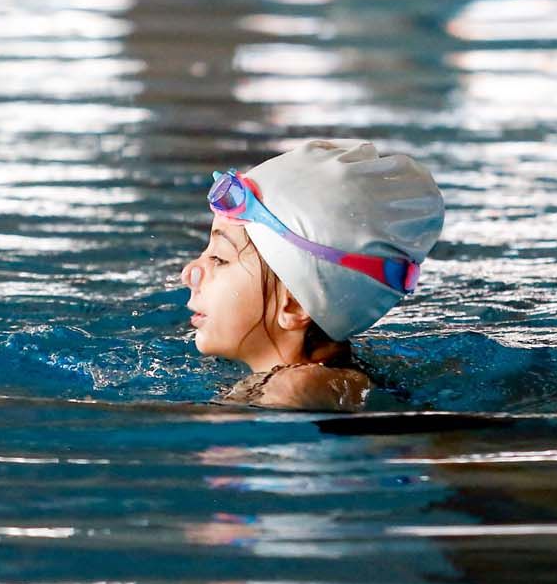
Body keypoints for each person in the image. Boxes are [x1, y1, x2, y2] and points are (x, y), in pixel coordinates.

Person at [180, 139, 445, 411]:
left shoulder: (297, 387)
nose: (189, 273)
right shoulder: (311, 380)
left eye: (219, 259)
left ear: (294, 304)